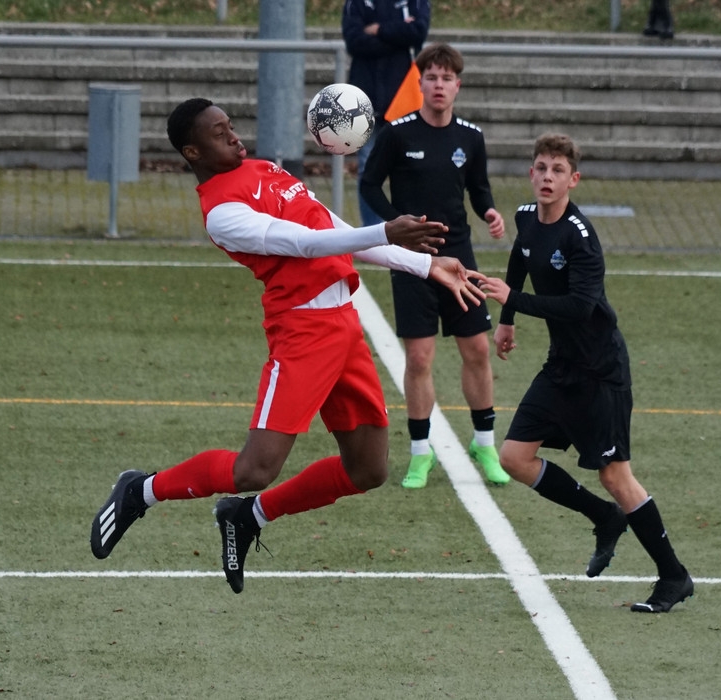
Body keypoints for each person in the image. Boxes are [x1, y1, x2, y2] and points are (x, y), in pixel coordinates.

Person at [89, 97, 487, 595]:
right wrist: (387, 229)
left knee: (369, 469)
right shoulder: (222, 213)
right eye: (218, 133)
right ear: (193, 152)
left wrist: (426, 265)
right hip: (303, 332)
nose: (234, 136)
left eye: (230, 126)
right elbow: (302, 242)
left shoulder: (265, 170)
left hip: (343, 325)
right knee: (254, 468)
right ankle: (141, 489)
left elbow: (330, 228)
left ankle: (248, 516)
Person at [480, 134, 694, 613]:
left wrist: (514, 301)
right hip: (562, 366)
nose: (547, 177)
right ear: (531, 174)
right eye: (541, 168)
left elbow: (580, 306)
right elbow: (520, 257)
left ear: (573, 180)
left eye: (558, 170)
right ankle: (603, 516)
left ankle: (674, 576)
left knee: (615, 475)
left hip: (601, 372)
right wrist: (507, 320)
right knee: (514, 457)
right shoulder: (526, 217)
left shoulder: (580, 237)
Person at [360, 42, 510, 489]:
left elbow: (478, 188)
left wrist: (489, 211)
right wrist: (396, 226)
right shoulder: (397, 133)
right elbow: (369, 184)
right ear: (420, 83)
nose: (439, 85)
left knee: (477, 349)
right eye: (432, 77)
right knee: (420, 356)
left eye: (447, 78)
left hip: (459, 258)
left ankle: (484, 444)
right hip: (412, 260)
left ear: (457, 86)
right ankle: (420, 453)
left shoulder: (471, 137)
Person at [342, 0, 430, 227]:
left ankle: (410, 229)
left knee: (411, 166)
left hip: (405, 98)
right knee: (367, 167)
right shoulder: (357, 3)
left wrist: (378, 30)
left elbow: (418, 31)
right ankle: (374, 234)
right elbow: (354, 41)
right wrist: (399, 36)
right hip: (365, 100)